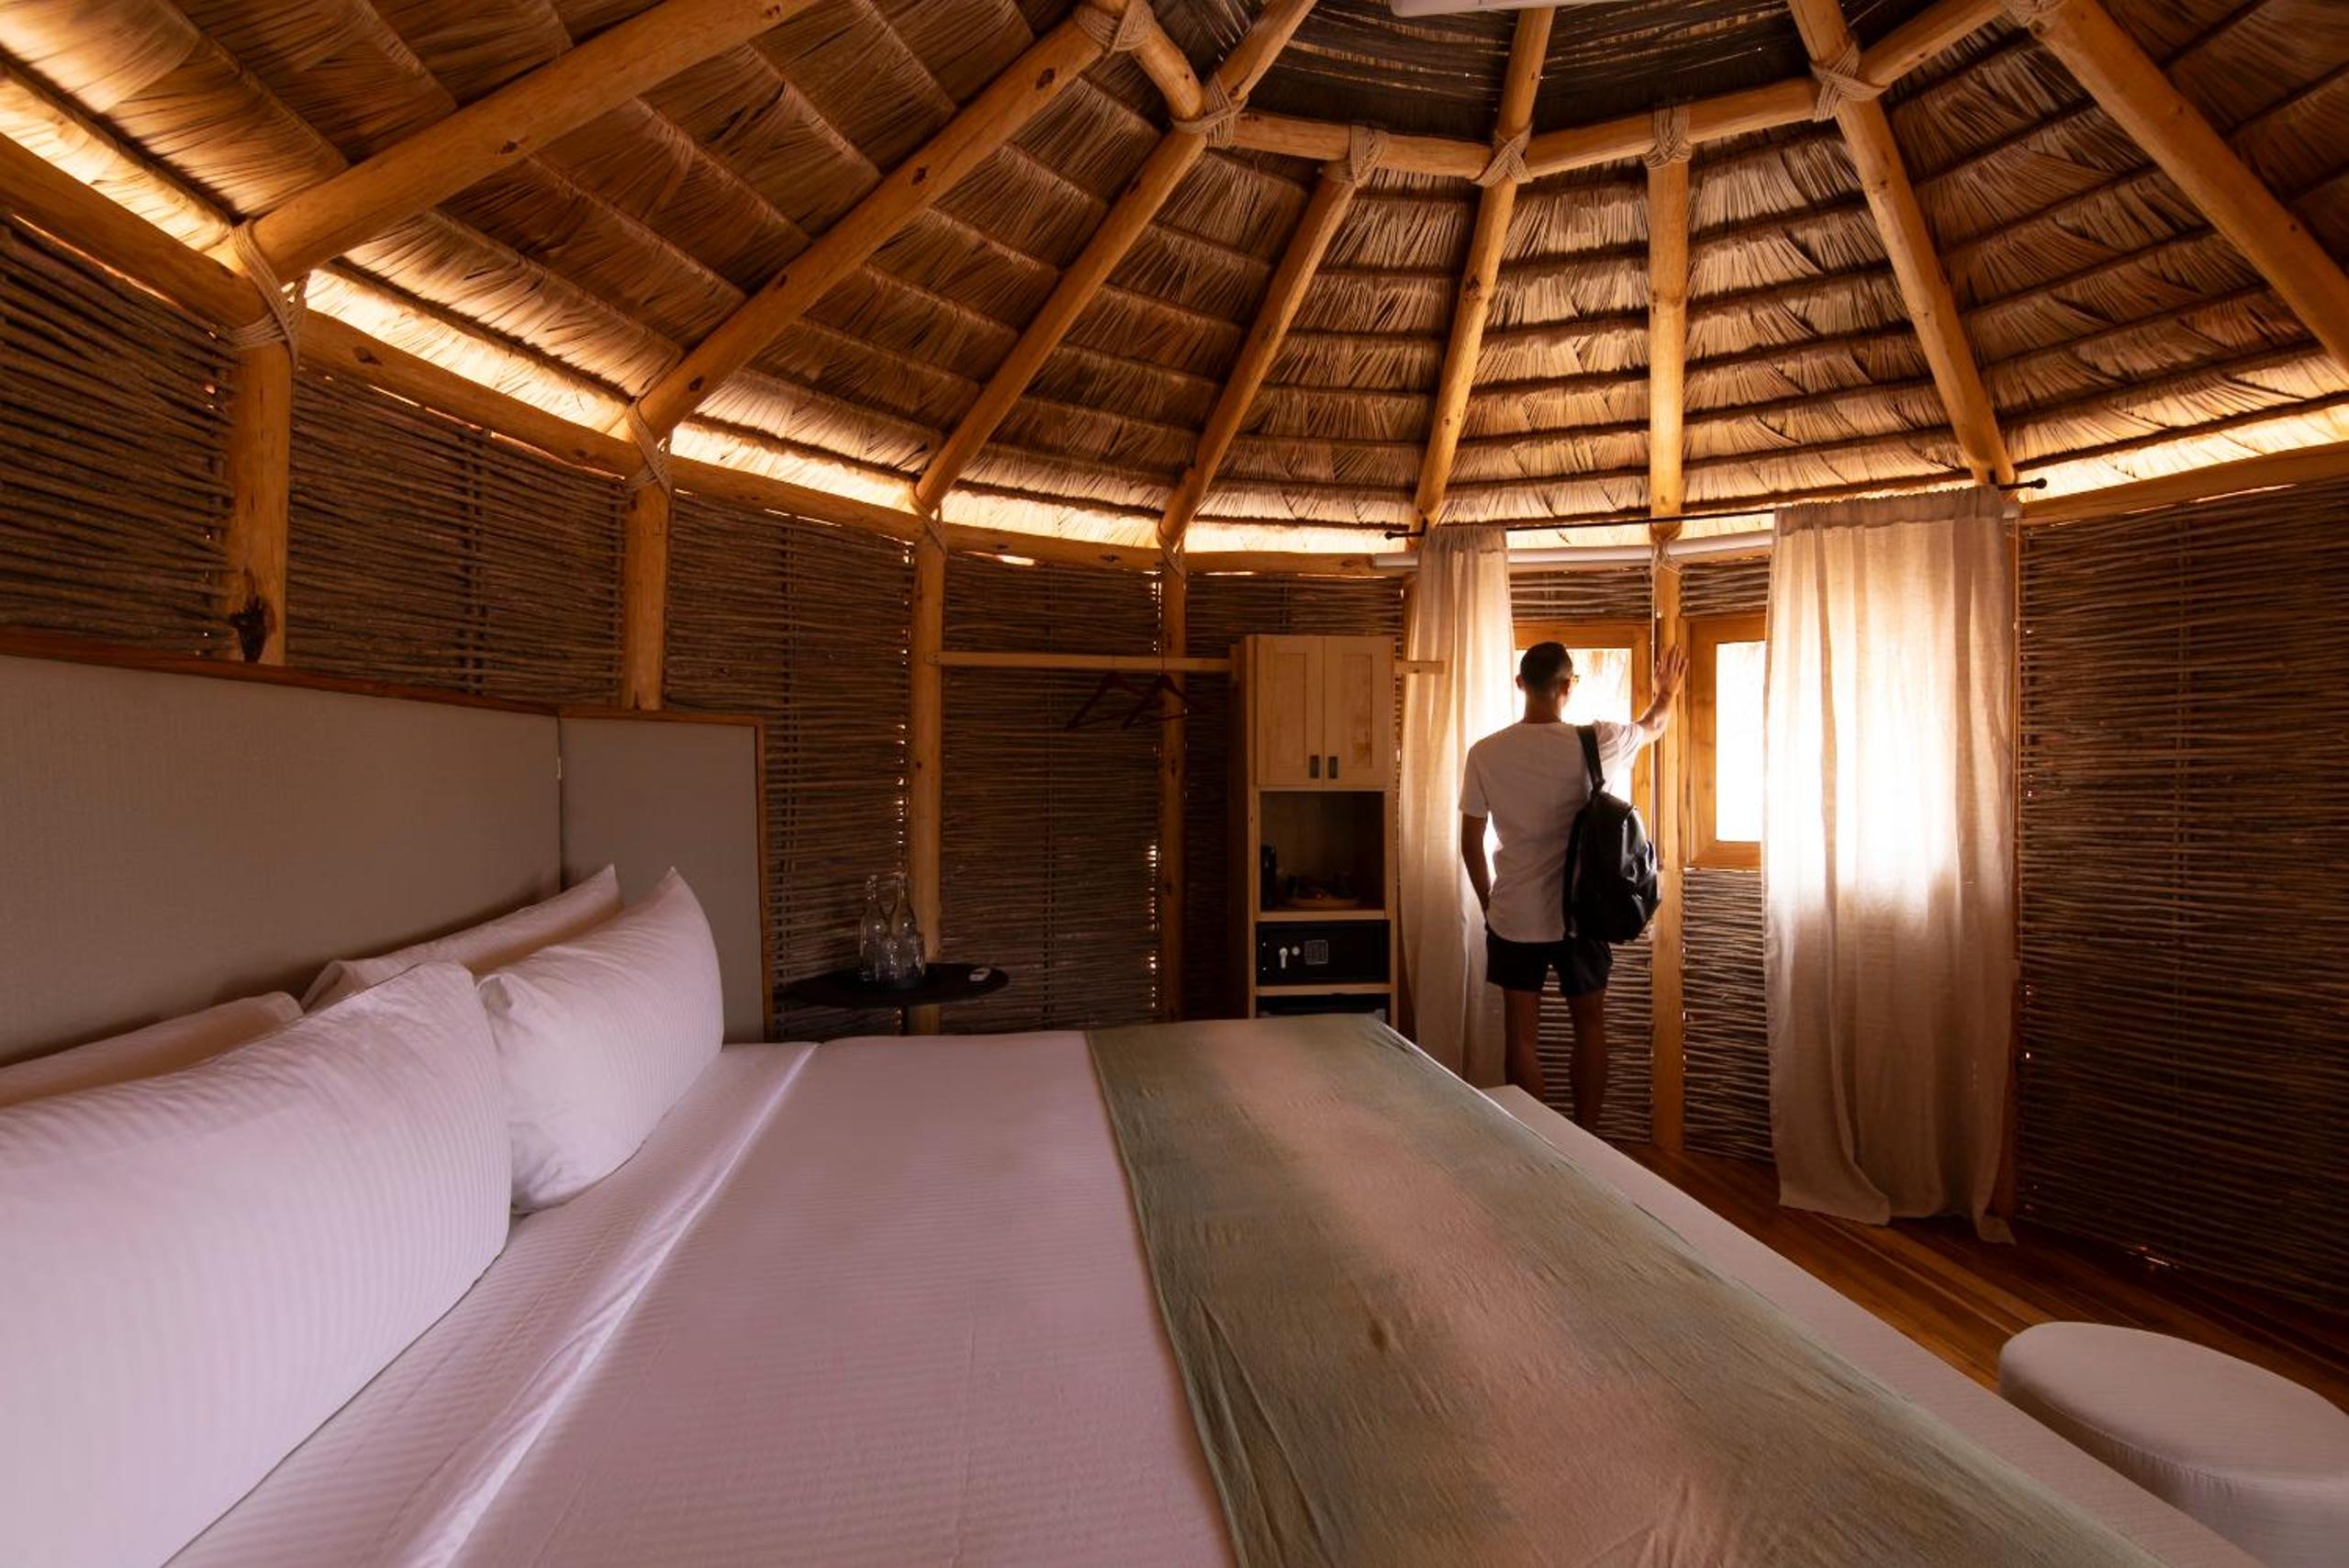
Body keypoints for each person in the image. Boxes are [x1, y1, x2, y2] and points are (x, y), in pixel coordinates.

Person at [1459, 641, 1687, 1127]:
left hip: (1514, 916)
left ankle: (1533, 1142)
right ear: (1568, 686)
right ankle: (1586, 1141)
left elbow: (1470, 842)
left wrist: (1488, 904)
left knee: (1521, 1036)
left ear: (1520, 683)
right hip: (1583, 914)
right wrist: (1666, 692)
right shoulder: (1597, 740)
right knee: (1589, 1025)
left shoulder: (1485, 753)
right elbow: (1654, 726)